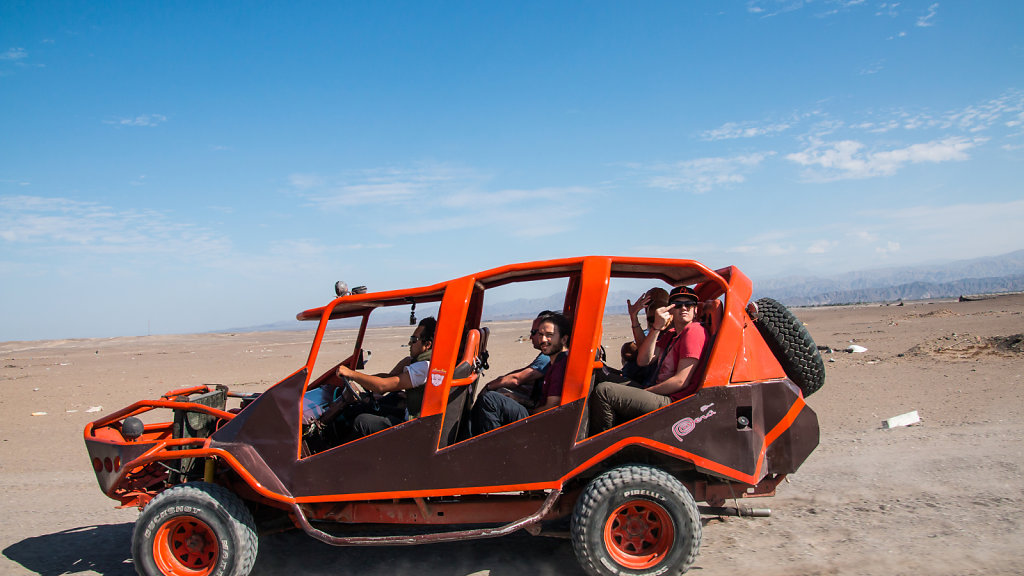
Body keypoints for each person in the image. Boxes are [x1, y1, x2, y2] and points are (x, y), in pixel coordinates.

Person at [590, 286, 708, 434]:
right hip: (658, 391)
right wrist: (656, 327)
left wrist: (648, 392)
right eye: (677, 305)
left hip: (672, 400)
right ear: (670, 310)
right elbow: (643, 360)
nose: (683, 308)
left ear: (695, 309)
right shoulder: (671, 335)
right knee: (598, 375)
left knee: (604, 391)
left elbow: (680, 381)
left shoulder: (694, 331)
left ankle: (601, 442)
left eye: (689, 304)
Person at [335, 316, 436, 439]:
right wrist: (362, 379)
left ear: (427, 345)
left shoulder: (424, 367)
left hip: (414, 429)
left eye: (414, 339)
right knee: (364, 408)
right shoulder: (420, 363)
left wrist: (350, 373)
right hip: (412, 419)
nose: (409, 343)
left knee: (362, 422)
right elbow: (389, 378)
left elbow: (382, 386)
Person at [471, 312, 572, 435]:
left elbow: (551, 408)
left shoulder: (560, 365)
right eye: (540, 334)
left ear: (564, 339)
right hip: (538, 413)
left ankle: (492, 447)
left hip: (542, 423)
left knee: (489, 400)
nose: (543, 339)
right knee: (498, 397)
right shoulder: (554, 362)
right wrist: (519, 400)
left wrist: (529, 411)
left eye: (549, 335)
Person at [479, 310, 556, 406]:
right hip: (535, 401)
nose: (531, 337)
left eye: (533, 332)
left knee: (490, 398)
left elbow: (517, 379)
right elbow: (523, 372)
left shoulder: (547, 356)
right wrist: (501, 380)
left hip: (537, 406)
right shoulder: (547, 355)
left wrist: (489, 386)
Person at [620, 287, 675, 386]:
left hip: (650, 381)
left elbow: (644, 357)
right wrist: (634, 317)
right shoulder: (651, 331)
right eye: (648, 304)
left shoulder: (670, 333)